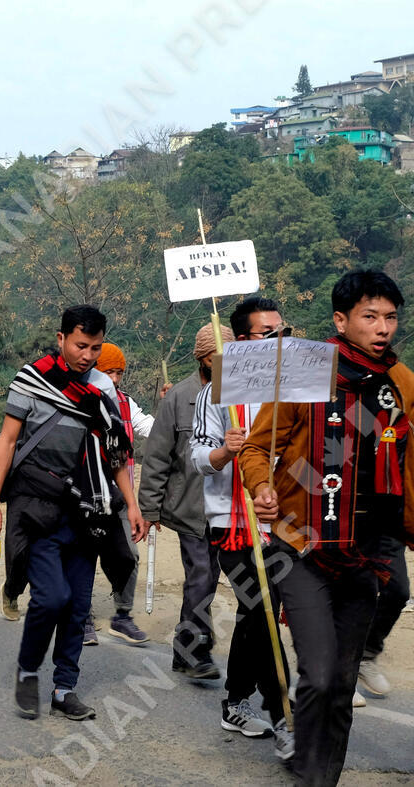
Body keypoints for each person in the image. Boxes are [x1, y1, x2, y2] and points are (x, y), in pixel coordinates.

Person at [244, 271, 412, 785]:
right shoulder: (307, 371)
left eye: (390, 317)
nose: (382, 328)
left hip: (368, 552)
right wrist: (262, 487)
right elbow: (257, 446)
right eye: (370, 316)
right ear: (340, 320)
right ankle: (309, 760)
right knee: (317, 676)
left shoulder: (401, 383)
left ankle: (319, 775)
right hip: (302, 545)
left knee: (340, 683)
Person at [0, 305, 147, 722]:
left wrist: (131, 504)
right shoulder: (32, 379)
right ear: (61, 339)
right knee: (51, 598)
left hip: (88, 512)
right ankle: (27, 669)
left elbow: (115, 454)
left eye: (95, 347)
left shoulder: (103, 391)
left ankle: (64, 688)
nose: (87, 356)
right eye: (80, 345)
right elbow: (7, 440)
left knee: (77, 605)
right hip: (38, 507)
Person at [191, 297, 293, 753]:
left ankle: (235, 700)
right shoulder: (215, 393)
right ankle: (285, 713)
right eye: (268, 334)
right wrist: (226, 451)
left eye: (283, 332)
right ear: (243, 340)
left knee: (257, 610)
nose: (278, 341)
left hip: (285, 518)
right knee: (261, 603)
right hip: (232, 521)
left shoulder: (292, 388)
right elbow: (198, 458)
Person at [138, 324, 224, 681]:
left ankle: (186, 647)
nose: (221, 364)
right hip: (189, 507)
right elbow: (157, 456)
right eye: (215, 358)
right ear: (202, 358)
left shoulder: (238, 397)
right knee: (201, 574)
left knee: (209, 577)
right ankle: (194, 650)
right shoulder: (178, 397)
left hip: (227, 507)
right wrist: (149, 508)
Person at [84, 342, 154, 646]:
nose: (114, 378)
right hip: (87, 493)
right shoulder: (80, 399)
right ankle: (81, 616)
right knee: (85, 554)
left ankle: (122, 615)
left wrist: (171, 412)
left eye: (118, 372)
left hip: (121, 495)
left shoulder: (126, 403)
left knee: (129, 555)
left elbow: (149, 427)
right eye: (107, 371)